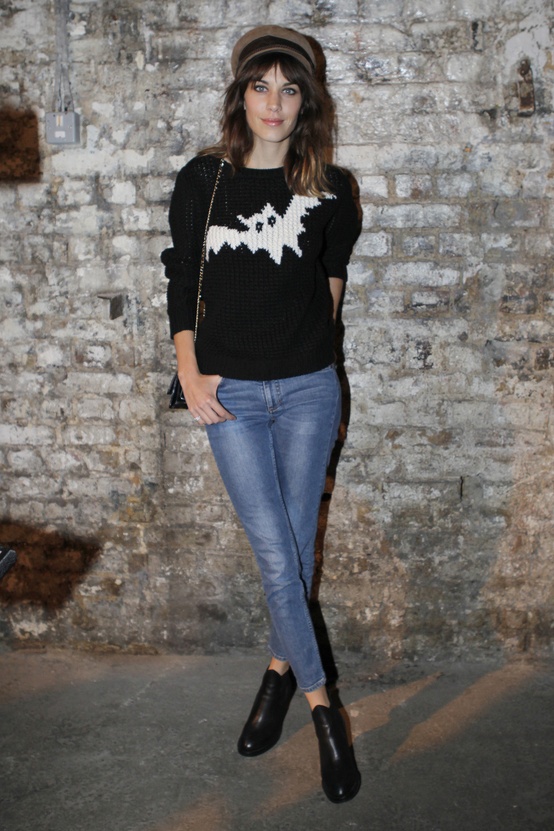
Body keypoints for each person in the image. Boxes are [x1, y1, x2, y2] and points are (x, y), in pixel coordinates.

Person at [161, 25, 361, 803]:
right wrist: (188, 371)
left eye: (289, 88)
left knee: (297, 550)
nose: (274, 102)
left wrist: (316, 366)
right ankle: (325, 713)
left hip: (309, 390)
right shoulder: (204, 179)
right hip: (232, 395)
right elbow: (183, 278)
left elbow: (329, 290)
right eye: (260, 85)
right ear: (240, 95)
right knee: (279, 556)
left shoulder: (330, 188)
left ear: (306, 100)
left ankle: (278, 672)